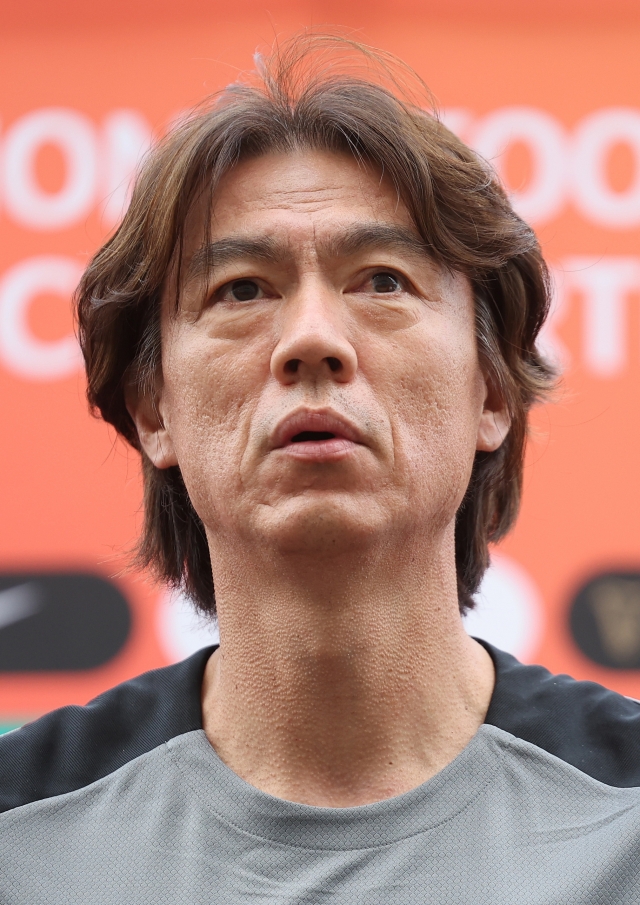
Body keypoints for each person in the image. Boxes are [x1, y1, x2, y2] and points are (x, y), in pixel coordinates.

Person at [2, 35, 640, 904]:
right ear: (155, 409)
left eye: (381, 280)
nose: (312, 339)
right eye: (242, 289)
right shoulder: (20, 830)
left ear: (491, 388)